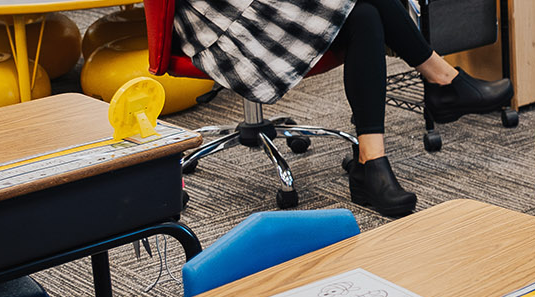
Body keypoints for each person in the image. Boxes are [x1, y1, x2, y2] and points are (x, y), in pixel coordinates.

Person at [174, 0, 512, 217]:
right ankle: (444, 82)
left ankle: (372, 161)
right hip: (222, 18)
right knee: (364, 5)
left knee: (364, 15)